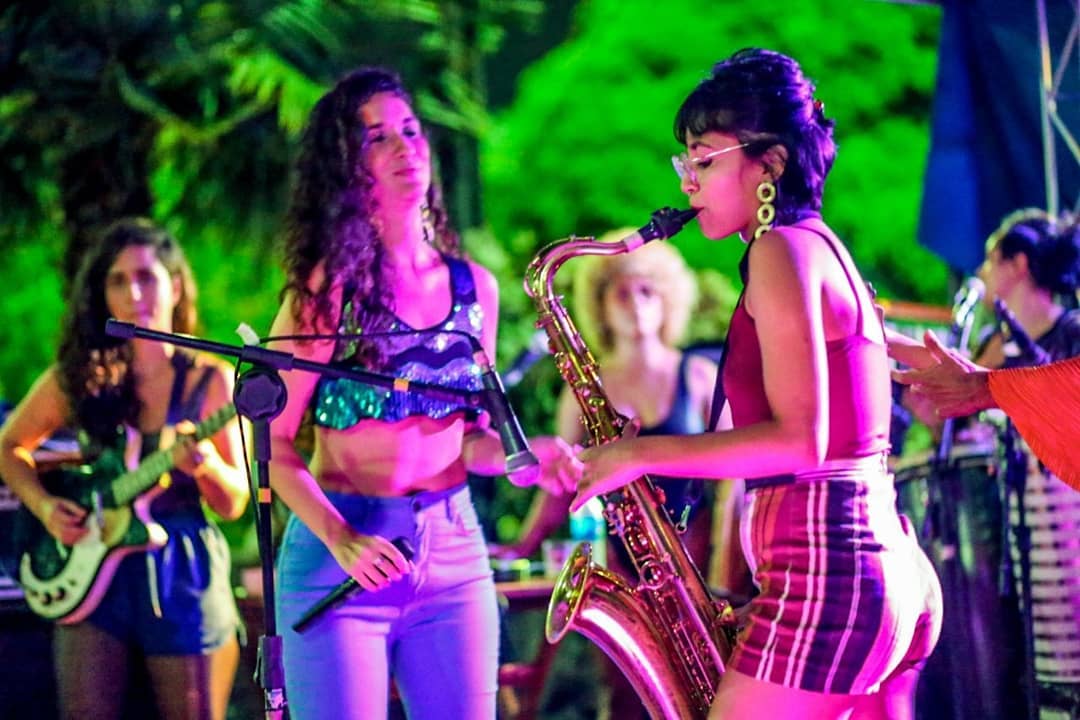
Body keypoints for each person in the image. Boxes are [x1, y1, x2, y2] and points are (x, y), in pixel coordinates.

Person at [567, 48, 942, 720]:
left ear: (770, 164)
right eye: (685, 163)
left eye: (705, 161)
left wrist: (638, 453)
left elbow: (801, 441)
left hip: (829, 572)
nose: (688, 184)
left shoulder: (780, 250)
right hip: (855, 566)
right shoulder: (815, 247)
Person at [266, 66, 575, 719]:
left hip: (452, 550)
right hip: (342, 550)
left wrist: (525, 455)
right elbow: (272, 444)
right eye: (377, 137)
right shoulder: (327, 292)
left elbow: (469, 438)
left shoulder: (474, 288)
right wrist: (340, 536)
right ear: (346, 166)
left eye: (410, 131)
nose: (404, 148)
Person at [0, 217, 248, 720]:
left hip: (183, 571)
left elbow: (234, 502)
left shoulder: (213, 381)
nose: (134, 293)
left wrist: (205, 466)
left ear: (174, 285)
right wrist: (46, 509)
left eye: (146, 277)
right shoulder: (82, 377)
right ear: (102, 294)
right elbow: (9, 447)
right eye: (117, 280)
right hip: (91, 571)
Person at [495, 235, 738, 718]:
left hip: (695, 553)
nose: (634, 302)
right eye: (620, 292)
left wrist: (722, 566)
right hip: (622, 562)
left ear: (667, 298)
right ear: (601, 306)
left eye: (646, 290)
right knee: (626, 695)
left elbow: (734, 478)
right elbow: (561, 482)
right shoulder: (585, 389)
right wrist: (522, 545)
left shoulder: (699, 375)